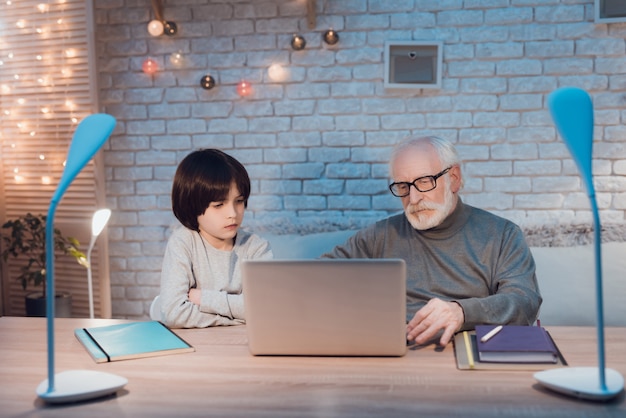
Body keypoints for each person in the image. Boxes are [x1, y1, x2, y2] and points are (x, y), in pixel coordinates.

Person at [322, 136, 541, 346]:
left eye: (424, 182)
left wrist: (461, 311)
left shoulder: (502, 234)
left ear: (453, 178)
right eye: (403, 187)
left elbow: (524, 301)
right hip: (391, 351)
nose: (414, 198)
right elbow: (317, 278)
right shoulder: (380, 235)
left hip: (465, 349)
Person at [159, 149, 272, 328]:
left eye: (239, 201)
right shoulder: (183, 243)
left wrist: (203, 298)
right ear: (192, 206)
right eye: (219, 205)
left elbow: (267, 310)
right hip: (196, 349)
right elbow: (174, 314)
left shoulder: (256, 248)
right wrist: (237, 319)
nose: (232, 213)